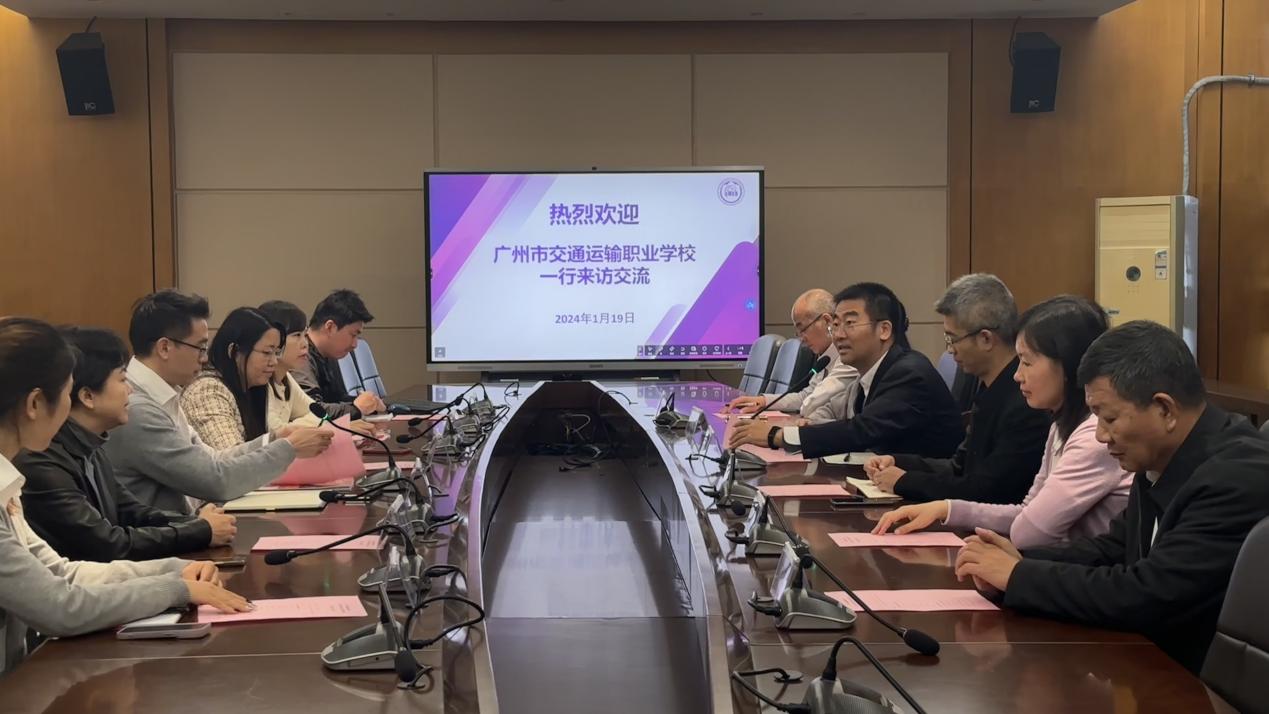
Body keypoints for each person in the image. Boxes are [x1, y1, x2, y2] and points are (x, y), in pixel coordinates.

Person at [954, 320, 1269, 674]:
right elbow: (1112, 549)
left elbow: (1149, 595)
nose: (1101, 436)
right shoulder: (1161, 454)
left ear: (1164, 410)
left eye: (1110, 418)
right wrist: (1020, 562)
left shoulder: (1236, 477)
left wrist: (1019, 576)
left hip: (1200, 683)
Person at [0, 317, 251, 673]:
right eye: (67, 394)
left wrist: (174, 570)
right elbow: (59, 606)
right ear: (35, 404)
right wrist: (176, 589)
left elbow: (61, 572)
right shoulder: (31, 467)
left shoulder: (9, 483)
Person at [873, 296, 1132, 548]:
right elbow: (1026, 512)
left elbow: (1028, 533)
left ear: (1068, 364)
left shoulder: (1093, 437)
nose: (1018, 375)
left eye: (1027, 362)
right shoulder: (1060, 425)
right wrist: (946, 509)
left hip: (1081, 571)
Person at [17, 327, 236, 562]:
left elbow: (132, 512)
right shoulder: (41, 461)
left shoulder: (91, 445)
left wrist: (198, 523)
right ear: (87, 396)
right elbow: (106, 543)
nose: (130, 390)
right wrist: (201, 530)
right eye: (122, 379)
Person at [104, 290, 332, 513]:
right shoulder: (138, 408)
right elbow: (215, 480)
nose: (204, 358)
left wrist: (275, 439)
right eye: (200, 347)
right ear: (164, 348)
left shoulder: (164, 394)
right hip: (165, 535)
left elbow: (213, 459)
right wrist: (288, 448)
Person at [863, 274, 1050, 503]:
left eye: (952, 339)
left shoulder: (1026, 402)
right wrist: (897, 461)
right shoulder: (988, 389)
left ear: (985, 339)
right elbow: (958, 467)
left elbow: (987, 490)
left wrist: (904, 481)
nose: (950, 350)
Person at [727, 282, 963, 459]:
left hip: (926, 497)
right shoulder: (868, 374)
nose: (838, 335)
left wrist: (776, 435)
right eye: (835, 325)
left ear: (884, 330)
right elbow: (837, 411)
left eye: (849, 323)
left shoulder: (908, 373)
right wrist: (808, 426)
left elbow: (861, 430)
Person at [725, 289, 859, 423]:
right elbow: (805, 397)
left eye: (803, 329)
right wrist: (763, 401)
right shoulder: (824, 358)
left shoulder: (849, 359)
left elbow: (809, 404)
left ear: (827, 321)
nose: (801, 338)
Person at [181, 307, 285, 450]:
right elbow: (231, 456)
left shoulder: (253, 386)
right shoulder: (207, 391)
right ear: (234, 351)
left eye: (276, 353)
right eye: (267, 352)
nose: (274, 361)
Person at [293, 289, 385, 418]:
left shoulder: (328, 353)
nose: (355, 345)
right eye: (353, 335)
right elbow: (312, 410)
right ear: (330, 327)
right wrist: (356, 409)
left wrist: (369, 404)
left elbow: (336, 399)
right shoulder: (300, 356)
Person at [257, 300, 323, 432]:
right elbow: (276, 432)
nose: (305, 344)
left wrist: (293, 426)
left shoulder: (286, 378)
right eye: (297, 335)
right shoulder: (259, 380)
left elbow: (319, 415)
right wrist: (301, 426)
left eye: (305, 335)